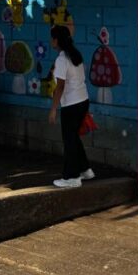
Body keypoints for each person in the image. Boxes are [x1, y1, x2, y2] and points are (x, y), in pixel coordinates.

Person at [47, 25, 95, 189]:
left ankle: (72, 177)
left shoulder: (61, 60)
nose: (51, 41)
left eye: (52, 38)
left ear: (56, 40)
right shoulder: (75, 55)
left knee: (69, 140)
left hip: (71, 104)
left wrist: (53, 109)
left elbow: (60, 86)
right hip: (83, 100)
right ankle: (85, 170)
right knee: (73, 137)